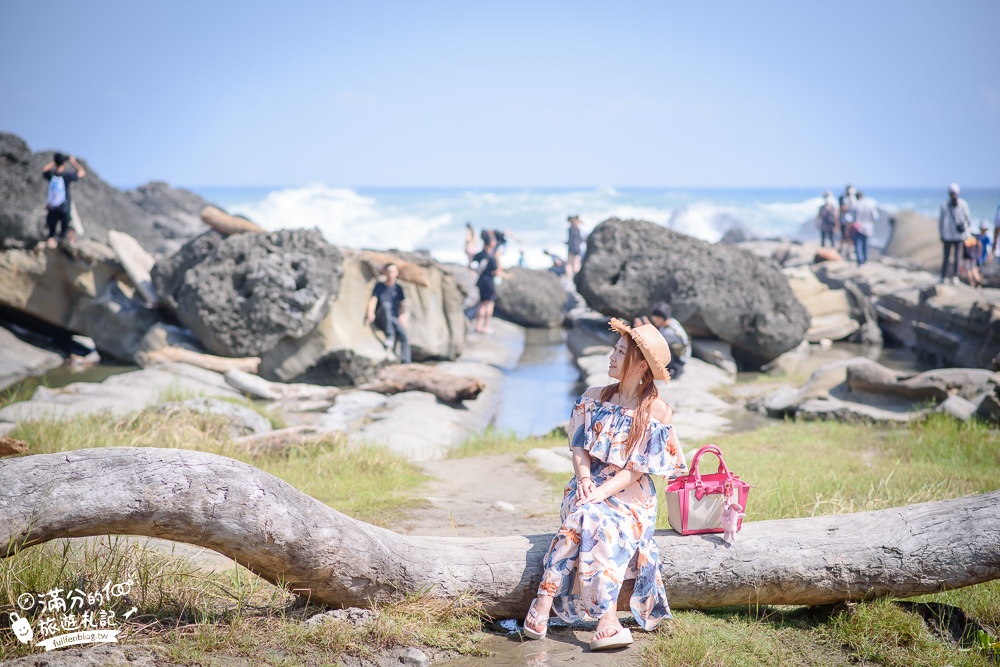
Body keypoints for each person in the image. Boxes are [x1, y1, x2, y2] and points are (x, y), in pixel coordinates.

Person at [522, 319, 687, 652]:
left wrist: (600, 492)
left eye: (621, 351)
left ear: (641, 365)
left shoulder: (657, 410)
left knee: (590, 518)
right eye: (615, 348)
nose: (611, 356)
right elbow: (579, 446)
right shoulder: (593, 397)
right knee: (587, 512)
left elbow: (638, 471)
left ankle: (545, 600)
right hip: (586, 486)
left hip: (630, 497)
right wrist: (585, 481)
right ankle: (605, 623)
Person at [365, 263, 411, 363]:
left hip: (394, 318)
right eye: (389, 272)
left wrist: (403, 315)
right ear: (385, 272)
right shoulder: (379, 286)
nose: (391, 274)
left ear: (396, 273)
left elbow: (403, 304)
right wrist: (370, 312)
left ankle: (406, 362)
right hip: (381, 317)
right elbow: (374, 299)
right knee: (386, 306)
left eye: (393, 272)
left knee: (404, 335)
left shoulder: (398, 288)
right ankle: (390, 336)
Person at [634, 302, 691, 379]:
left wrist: (642, 329)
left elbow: (654, 343)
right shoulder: (671, 322)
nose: (654, 320)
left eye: (655, 319)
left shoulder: (670, 332)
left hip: (678, 361)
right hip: (677, 355)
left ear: (660, 319)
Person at [41, 152, 86, 248]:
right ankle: (63, 248)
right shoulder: (67, 176)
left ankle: (50, 248)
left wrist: (54, 162)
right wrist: (73, 162)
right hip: (64, 207)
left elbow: (44, 170)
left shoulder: (52, 175)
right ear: (64, 163)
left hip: (52, 207)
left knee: (51, 232)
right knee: (64, 232)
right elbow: (82, 172)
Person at [939, 183, 973, 284]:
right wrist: (941, 233)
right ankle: (944, 276)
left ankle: (954, 277)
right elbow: (941, 221)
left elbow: (968, 219)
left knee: (957, 257)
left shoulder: (962, 204)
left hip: (958, 236)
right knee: (947, 257)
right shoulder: (944, 205)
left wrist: (966, 232)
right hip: (948, 235)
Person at [471, 233, 500, 334]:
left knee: (482, 303)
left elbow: (472, 264)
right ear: (491, 243)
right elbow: (495, 271)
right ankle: (485, 327)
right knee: (490, 304)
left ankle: (478, 326)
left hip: (481, 281)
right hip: (489, 282)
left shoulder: (479, 255)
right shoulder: (492, 257)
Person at [852, 191, 879, 266]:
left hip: (857, 227)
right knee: (866, 244)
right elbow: (876, 217)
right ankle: (865, 260)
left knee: (858, 244)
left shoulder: (855, 205)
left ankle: (860, 261)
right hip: (868, 227)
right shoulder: (870, 204)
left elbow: (849, 218)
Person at [838, 185, 857, 259]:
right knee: (843, 237)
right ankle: (842, 251)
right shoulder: (842, 198)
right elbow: (842, 208)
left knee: (851, 238)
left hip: (852, 222)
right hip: (844, 221)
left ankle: (850, 252)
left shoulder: (854, 198)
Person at [566, 215, 584, 285]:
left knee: (570, 264)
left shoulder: (571, 229)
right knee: (576, 263)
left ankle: (570, 277)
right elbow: (580, 239)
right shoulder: (577, 229)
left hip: (572, 248)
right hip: (577, 248)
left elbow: (571, 240)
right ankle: (576, 277)